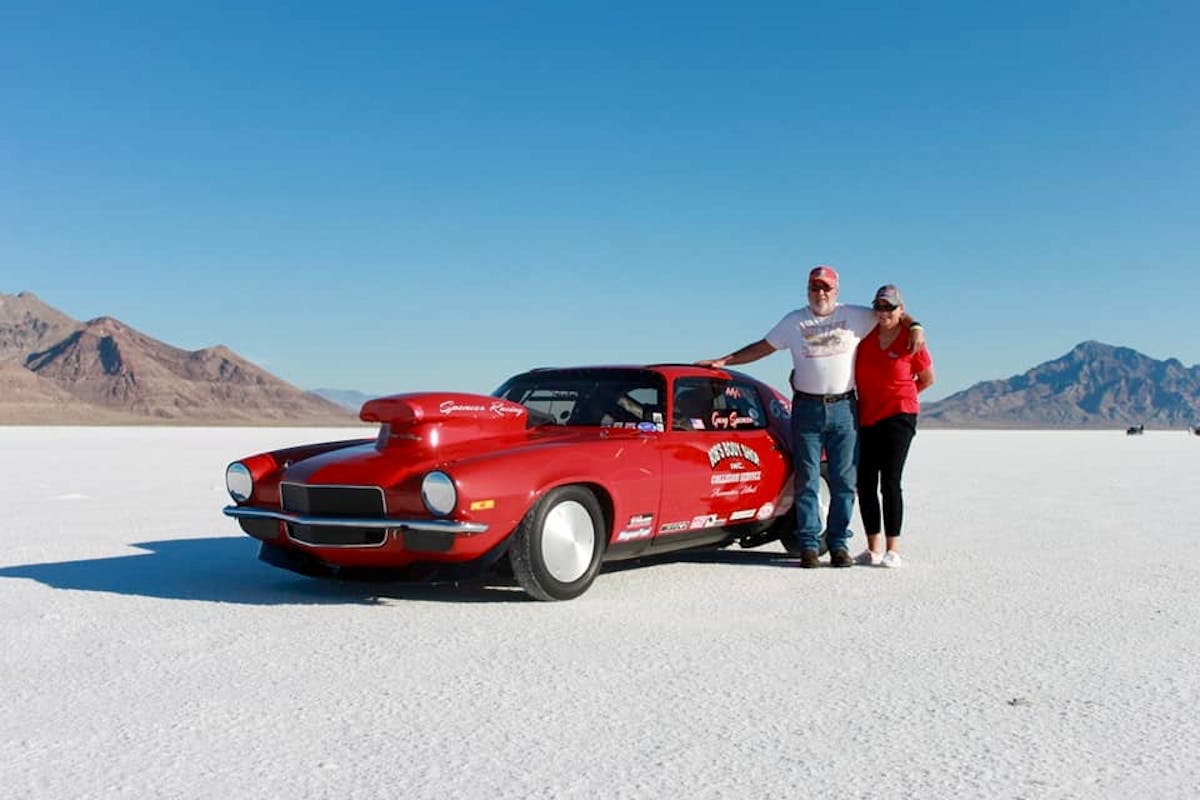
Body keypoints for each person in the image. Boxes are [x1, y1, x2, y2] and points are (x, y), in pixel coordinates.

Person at [697, 265, 924, 569]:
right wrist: (725, 360)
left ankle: (839, 545)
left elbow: (892, 313)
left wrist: (916, 325)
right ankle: (808, 546)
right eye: (814, 288)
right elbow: (763, 347)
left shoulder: (856, 316)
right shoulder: (795, 321)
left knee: (844, 481)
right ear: (808, 290)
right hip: (806, 410)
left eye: (826, 288)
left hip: (844, 409)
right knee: (807, 479)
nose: (820, 294)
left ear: (836, 290)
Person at [853, 285, 934, 568]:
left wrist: (904, 397)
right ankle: (872, 548)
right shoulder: (865, 338)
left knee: (890, 481)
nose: (883, 312)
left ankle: (893, 549)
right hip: (866, 416)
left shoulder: (911, 340)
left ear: (901, 310)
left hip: (899, 416)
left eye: (889, 307)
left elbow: (926, 379)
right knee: (864, 482)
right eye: (879, 306)